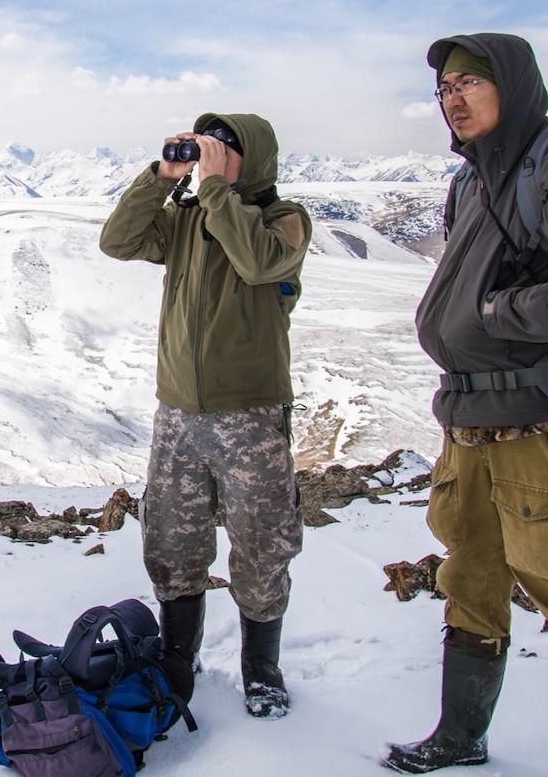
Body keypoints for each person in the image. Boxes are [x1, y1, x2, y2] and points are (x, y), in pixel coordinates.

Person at [385, 33, 548, 776]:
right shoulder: (472, 182)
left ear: (516, 86)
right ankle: (460, 737)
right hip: (469, 428)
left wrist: (498, 318)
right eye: (444, 88)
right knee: (470, 578)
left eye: (470, 81)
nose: (453, 98)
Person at [99, 112, 311, 719]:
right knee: (171, 538)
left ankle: (260, 667)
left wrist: (215, 190)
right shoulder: (188, 217)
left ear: (254, 158)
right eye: (204, 148)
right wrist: (162, 177)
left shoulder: (283, 219)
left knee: (262, 543)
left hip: (250, 413)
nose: (209, 157)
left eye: (222, 149)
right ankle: (176, 656)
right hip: (178, 413)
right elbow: (118, 241)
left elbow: (262, 264)